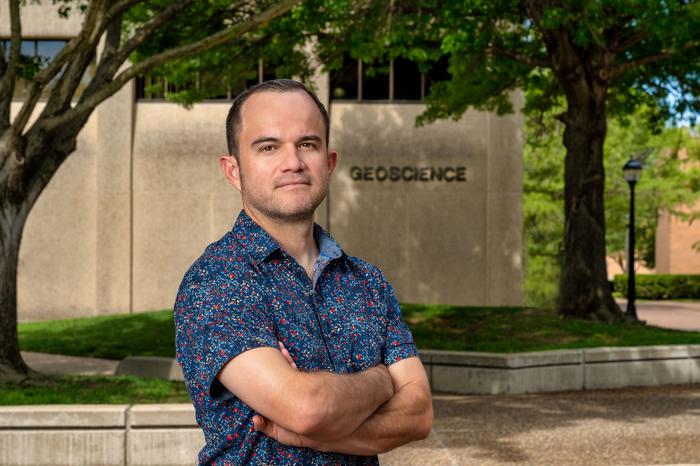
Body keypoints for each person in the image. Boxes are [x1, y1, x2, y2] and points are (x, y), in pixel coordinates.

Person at [174, 79, 433, 465]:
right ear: (233, 170)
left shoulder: (367, 283)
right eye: (268, 147)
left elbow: (418, 415)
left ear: (328, 163)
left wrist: (317, 435)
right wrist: (382, 380)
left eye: (307, 144)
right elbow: (307, 409)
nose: (292, 162)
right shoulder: (217, 280)